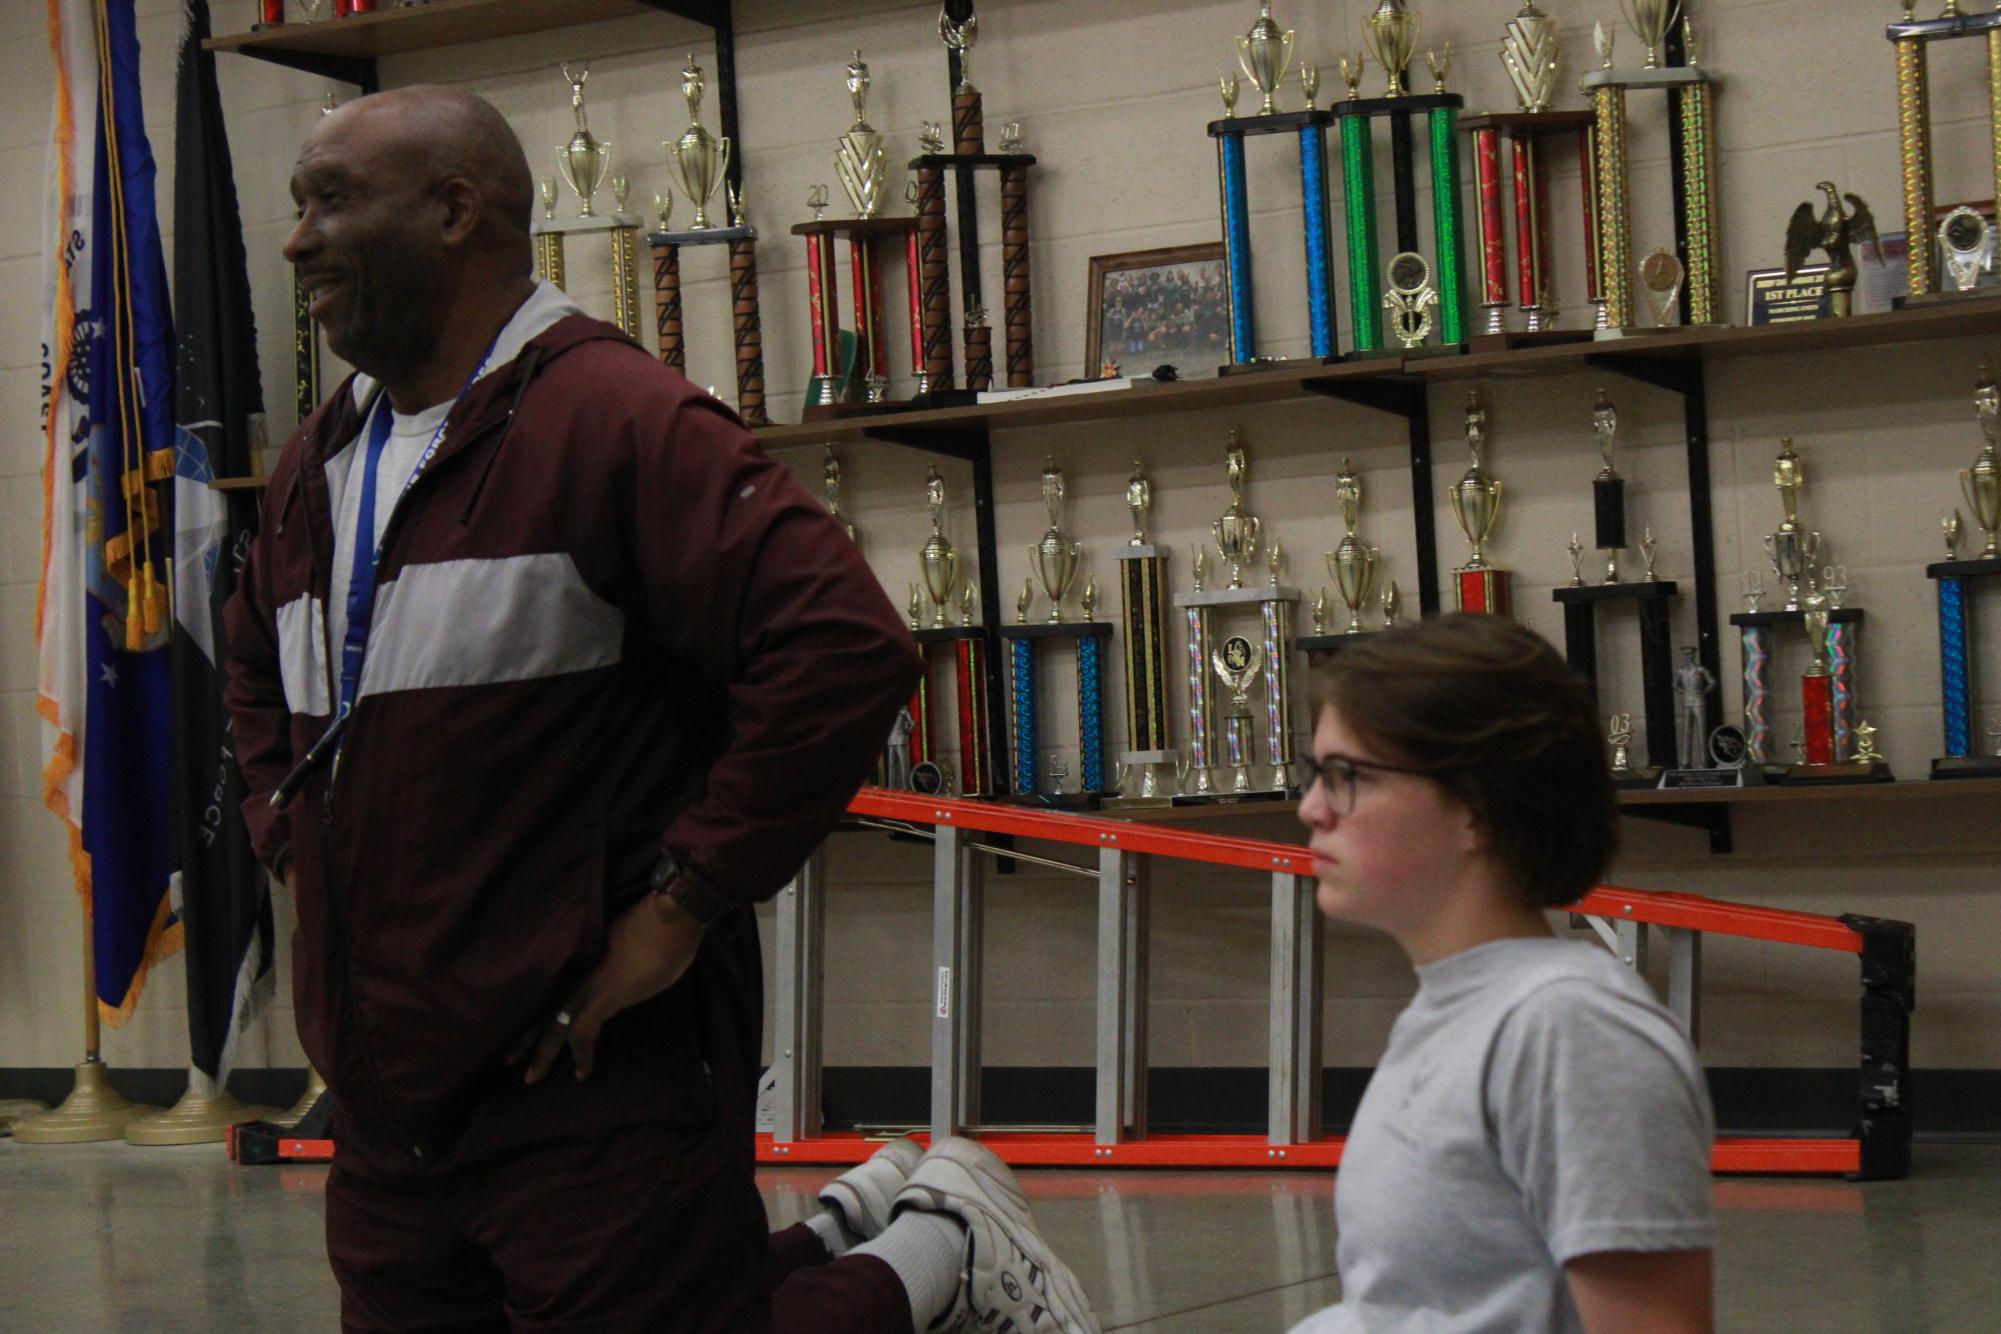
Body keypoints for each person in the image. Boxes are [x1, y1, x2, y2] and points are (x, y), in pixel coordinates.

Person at [224, 85, 1096, 1332]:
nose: (299, 238)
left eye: (332, 200)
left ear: (457, 210)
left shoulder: (612, 417)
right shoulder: (321, 459)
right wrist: (287, 833)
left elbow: (843, 645)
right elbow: (254, 667)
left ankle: (940, 1254)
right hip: (390, 1097)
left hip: (591, 1076)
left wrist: (682, 905)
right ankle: (876, 1227)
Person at [1288, 615, 1715, 1333]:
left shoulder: (1569, 1028)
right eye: (1316, 775)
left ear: (1477, 808)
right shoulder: (1452, 1009)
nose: (1310, 808)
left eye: (1346, 777)